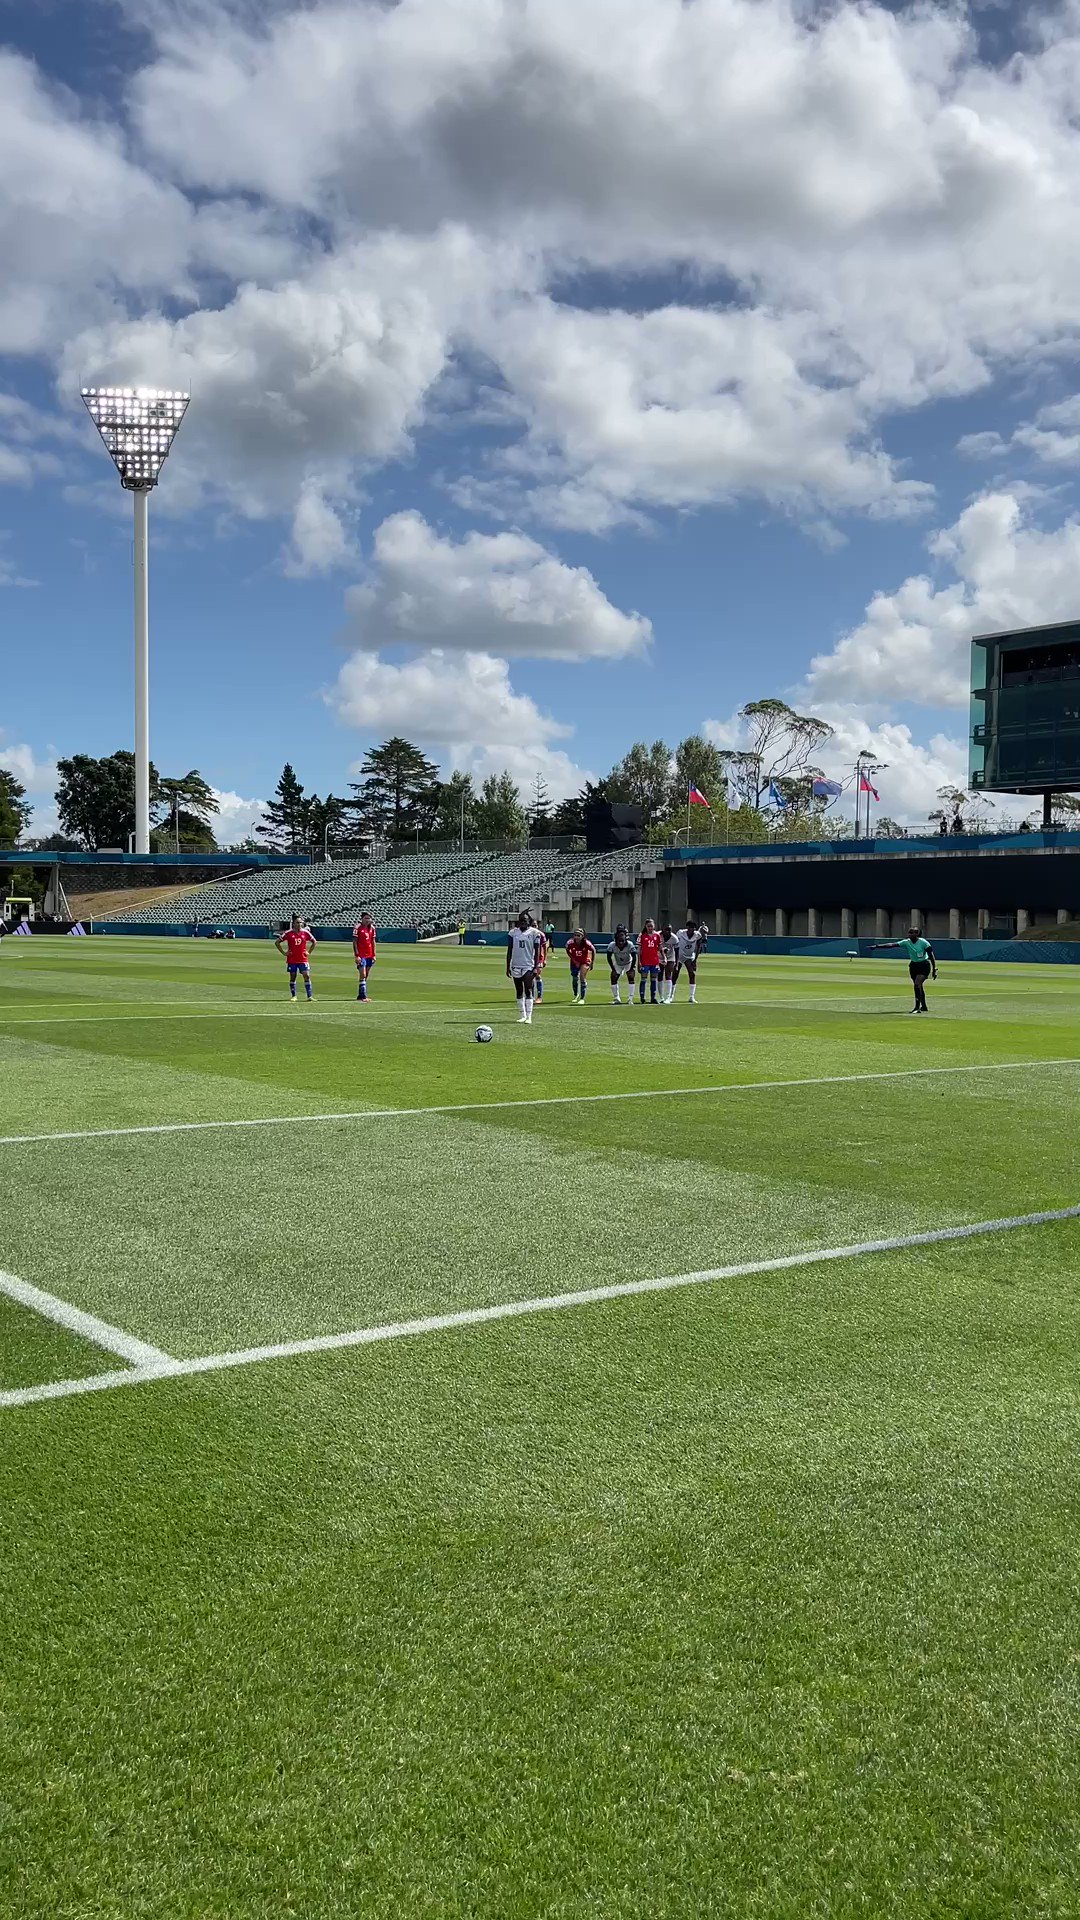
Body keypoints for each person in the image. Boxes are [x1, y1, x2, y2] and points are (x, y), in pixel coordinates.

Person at [871, 925, 938, 1012]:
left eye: (911, 932)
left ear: (917, 934)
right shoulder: (906, 942)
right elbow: (892, 945)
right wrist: (877, 946)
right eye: (909, 932)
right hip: (913, 966)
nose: (909, 934)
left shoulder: (924, 943)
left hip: (924, 965)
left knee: (917, 984)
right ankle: (924, 1006)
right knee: (918, 986)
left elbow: (931, 956)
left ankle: (917, 1008)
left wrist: (934, 969)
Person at [506, 910, 543, 1023]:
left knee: (528, 989)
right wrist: (507, 965)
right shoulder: (513, 933)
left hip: (528, 965)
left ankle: (529, 1016)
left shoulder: (534, 933)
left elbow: (537, 951)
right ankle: (522, 1015)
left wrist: (536, 966)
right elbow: (509, 950)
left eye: (525, 920)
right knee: (519, 990)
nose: (523, 922)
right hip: (516, 965)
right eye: (521, 921)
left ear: (529, 921)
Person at [276, 914, 316, 1002]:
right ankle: (294, 996)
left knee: (306, 975)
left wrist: (308, 952)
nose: (299, 924)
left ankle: (309, 996)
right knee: (293, 977)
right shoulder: (288, 933)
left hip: (303, 959)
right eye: (297, 922)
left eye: (300, 922)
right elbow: (277, 942)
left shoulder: (305, 932)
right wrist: (284, 953)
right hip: (292, 959)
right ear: (293, 924)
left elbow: (314, 942)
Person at [672, 915, 707, 1004]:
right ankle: (671, 995)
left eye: (694, 928)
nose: (692, 929)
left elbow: (699, 946)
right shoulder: (680, 933)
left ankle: (692, 996)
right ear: (687, 927)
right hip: (680, 955)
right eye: (690, 927)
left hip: (689, 956)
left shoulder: (697, 935)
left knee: (692, 974)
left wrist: (695, 959)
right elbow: (675, 943)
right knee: (675, 973)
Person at [607, 925, 637, 1004]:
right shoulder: (611, 945)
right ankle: (616, 998)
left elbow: (634, 957)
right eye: (619, 941)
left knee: (631, 977)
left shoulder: (630, 944)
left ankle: (630, 998)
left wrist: (631, 968)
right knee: (613, 977)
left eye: (622, 941)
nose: (621, 943)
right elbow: (609, 957)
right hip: (618, 963)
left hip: (628, 962)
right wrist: (613, 968)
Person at [566, 926, 595, 1002]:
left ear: (582, 936)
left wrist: (592, 962)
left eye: (578, 936)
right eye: (575, 935)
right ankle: (576, 995)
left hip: (584, 961)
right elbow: (567, 950)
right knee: (575, 978)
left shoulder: (586, 943)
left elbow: (593, 950)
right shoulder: (570, 943)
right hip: (575, 961)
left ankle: (582, 998)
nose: (576, 937)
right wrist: (574, 960)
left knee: (582, 977)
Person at [637, 918, 663, 1004]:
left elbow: (660, 948)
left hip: (654, 961)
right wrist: (639, 962)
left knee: (653, 979)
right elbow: (639, 949)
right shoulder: (642, 935)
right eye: (648, 926)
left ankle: (653, 998)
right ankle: (642, 997)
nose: (650, 928)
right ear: (646, 926)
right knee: (643, 978)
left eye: (651, 926)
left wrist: (664, 957)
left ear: (654, 926)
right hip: (645, 961)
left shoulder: (657, 935)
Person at [352, 911, 376, 1001]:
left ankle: (360, 995)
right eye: (365, 918)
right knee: (363, 974)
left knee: (366, 975)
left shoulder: (372, 928)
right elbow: (354, 942)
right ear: (362, 919)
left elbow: (373, 942)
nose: (367, 920)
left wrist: (374, 955)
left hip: (369, 954)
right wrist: (356, 955)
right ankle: (363, 996)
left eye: (369, 918)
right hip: (361, 955)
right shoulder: (357, 928)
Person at [659, 923, 678, 1003]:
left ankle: (668, 997)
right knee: (659, 975)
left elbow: (677, 951)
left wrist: (676, 963)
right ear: (662, 929)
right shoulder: (657, 935)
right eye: (666, 930)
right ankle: (660, 997)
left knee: (668, 974)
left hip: (670, 957)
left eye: (669, 930)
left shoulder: (674, 938)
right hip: (659, 957)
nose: (668, 932)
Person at [532, 917, 549, 1003]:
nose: (534, 927)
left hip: (539, 958)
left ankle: (539, 996)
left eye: (535, 925)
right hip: (529, 958)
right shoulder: (527, 934)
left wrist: (545, 959)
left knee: (537, 975)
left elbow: (545, 947)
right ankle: (530, 996)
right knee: (529, 978)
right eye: (532, 925)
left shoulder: (541, 935)